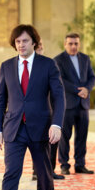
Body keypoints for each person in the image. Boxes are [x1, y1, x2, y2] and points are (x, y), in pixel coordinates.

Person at [0, 25, 65, 190]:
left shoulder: (48, 65)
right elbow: (1, 99)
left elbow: (59, 97)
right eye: (18, 41)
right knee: (11, 172)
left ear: (34, 43)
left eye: (25, 41)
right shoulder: (7, 66)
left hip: (41, 129)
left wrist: (56, 124)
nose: (21, 45)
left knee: (44, 173)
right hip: (13, 129)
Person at [54, 33, 95, 175]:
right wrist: (78, 90)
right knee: (64, 136)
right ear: (65, 44)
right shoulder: (58, 60)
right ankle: (64, 165)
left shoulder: (85, 59)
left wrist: (87, 89)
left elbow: (92, 77)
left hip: (83, 105)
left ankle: (80, 164)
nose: (73, 46)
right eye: (70, 43)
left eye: (76, 43)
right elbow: (60, 80)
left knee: (82, 136)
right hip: (67, 104)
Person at [32, 39, 65, 181]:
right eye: (37, 47)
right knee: (38, 143)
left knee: (52, 141)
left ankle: (49, 170)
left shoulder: (48, 64)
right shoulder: (28, 67)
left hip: (50, 109)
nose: (40, 49)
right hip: (37, 112)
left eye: (41, 47)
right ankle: (37, 171)